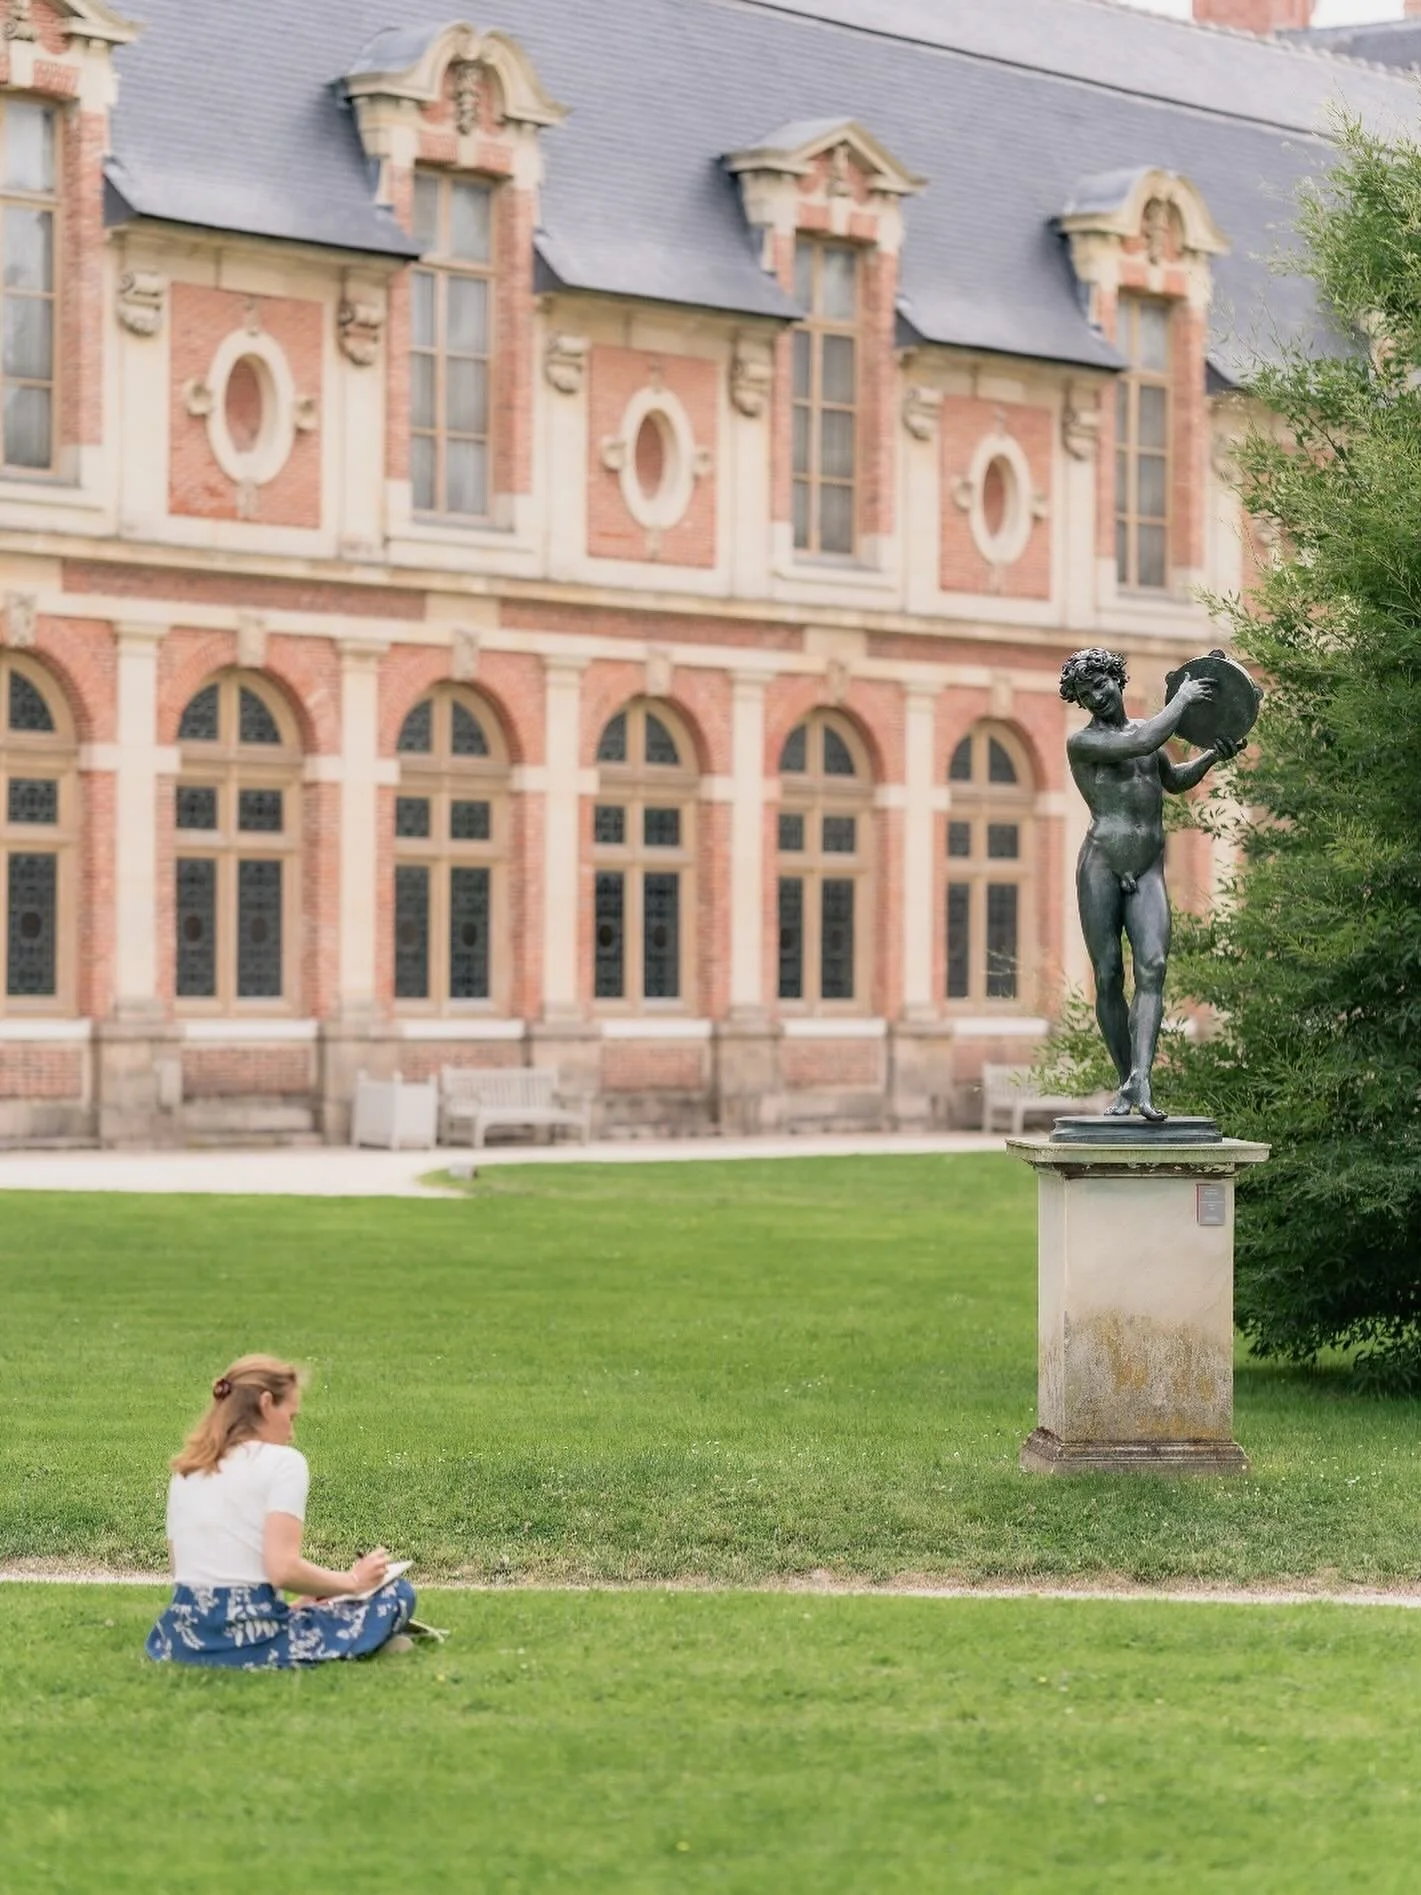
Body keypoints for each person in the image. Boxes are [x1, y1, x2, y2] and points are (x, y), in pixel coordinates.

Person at [1060, 647, 1241, 1123]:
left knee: (1154, 966)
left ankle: (1142, 1076)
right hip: (1100, 864)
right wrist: (1181, 700)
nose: (1096, 696)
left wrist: (1210, 757)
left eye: (1100, 684)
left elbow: (1173, 779)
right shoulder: (1083, 744)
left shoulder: (1150, 732)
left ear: (1117, 679)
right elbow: (1140, 745)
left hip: (1146, 868)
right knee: (1107, 976)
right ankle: (1125, 1078)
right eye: (1085, 693)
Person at [145, 1354, 416, 1669]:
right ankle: (361, 1643)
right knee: (397, 1594)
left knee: (311, 1609)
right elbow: (282, 1570)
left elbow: (186, 1574)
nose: (291, 1433)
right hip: (251, 1640)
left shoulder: (187, 1469)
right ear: (265, 1403)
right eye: (291, 1417)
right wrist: (354, 1580)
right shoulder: (283, 1463)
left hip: (181, 1637)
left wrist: (298, 1602)